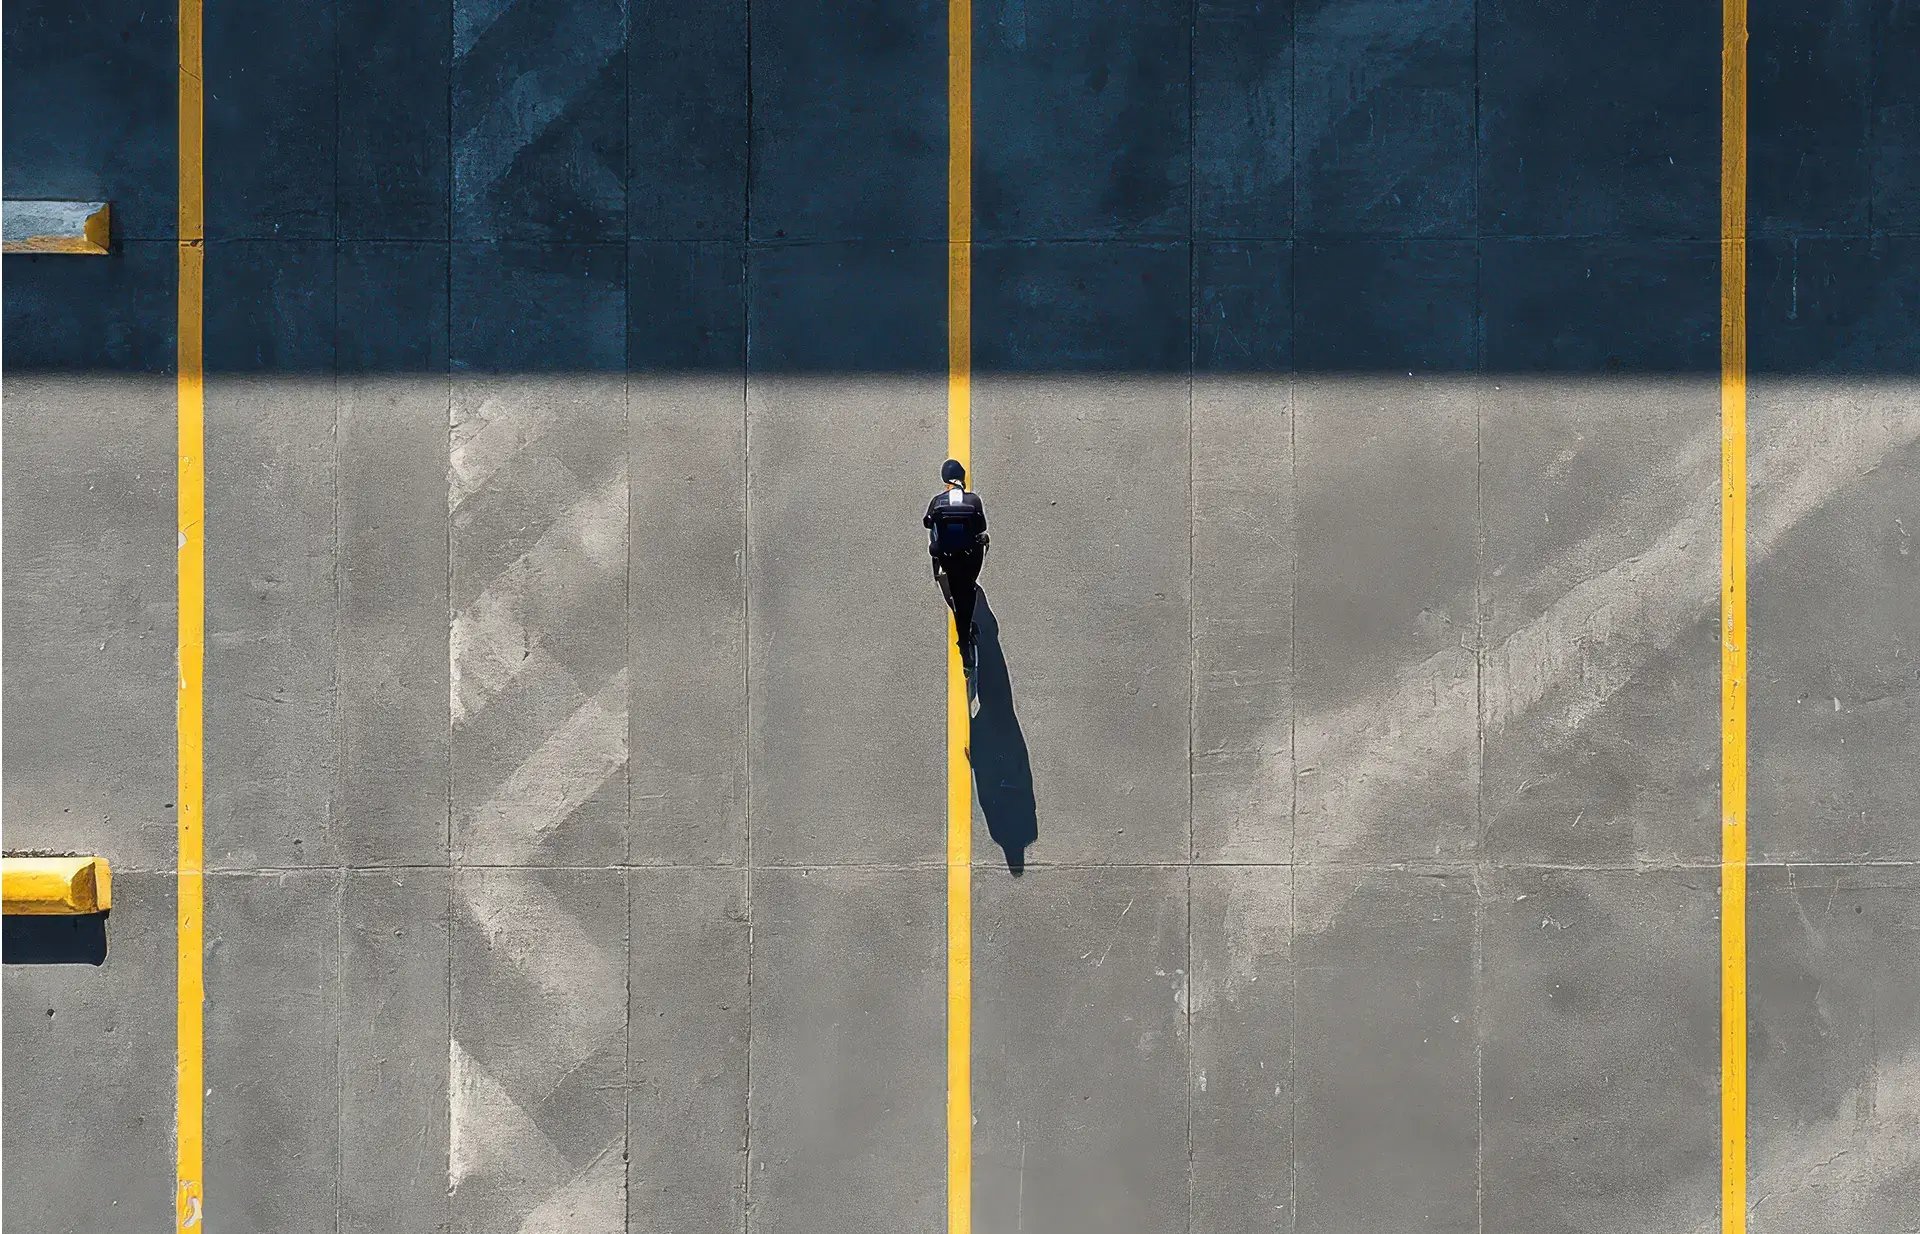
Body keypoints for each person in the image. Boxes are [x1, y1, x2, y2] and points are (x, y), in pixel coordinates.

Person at [924, 458, 989, 662]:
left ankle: (964, 645)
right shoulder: (974, 500)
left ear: (946, 481)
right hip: (970, 558)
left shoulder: (937, 501)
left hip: (948, 557)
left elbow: (928, 523)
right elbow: (981, 528)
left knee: (955, 587)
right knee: (982, 543)